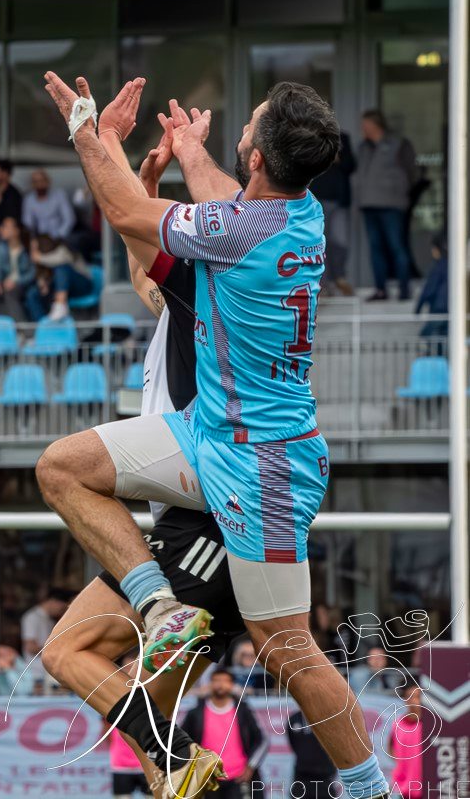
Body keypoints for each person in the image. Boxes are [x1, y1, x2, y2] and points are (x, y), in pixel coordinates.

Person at [36, 73, 393, 799]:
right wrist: (192, 150)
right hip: (208, 435)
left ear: (256, 155)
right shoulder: (296, 211)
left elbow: (127, 213)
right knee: (63, 467)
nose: (244, 123)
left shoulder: (230, 233)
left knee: (287, 649)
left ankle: (369, 790)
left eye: (250, 120)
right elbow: (223, 195)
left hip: (265, 466)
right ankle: (159, 610)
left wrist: (88, 131)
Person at [36, 103, 239, 798]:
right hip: (191, 521)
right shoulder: (179, 312)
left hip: (208, 527)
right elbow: (143, 263)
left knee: (71, 653)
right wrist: (145, 180)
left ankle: (177, 756)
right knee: (129, 706)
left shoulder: (210, 296)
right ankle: (174, 764)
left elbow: (132, 224)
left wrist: (107, 146)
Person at [358, 110, 420, 301]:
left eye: (365, 124)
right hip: (369, 204)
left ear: (375, 125)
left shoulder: (398, 144)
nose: (362, 128)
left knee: (396, 246)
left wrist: (400, 191)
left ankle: (404, 289)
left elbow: (413, 172)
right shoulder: (363, 147)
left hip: (392, 205)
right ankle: (381, 289)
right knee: (376, 248)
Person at [180, 668, 266, 799]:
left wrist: (251, 766)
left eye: (225, 681)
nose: (220, 684)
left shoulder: (243, 711)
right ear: (210, 684)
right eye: (216, 680)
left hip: (238, 777)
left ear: (232, 685)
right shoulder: (196, 712)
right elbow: (182, 742)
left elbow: (263, 740)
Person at [308, 131, 356, 296]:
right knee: (320, 242)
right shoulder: (309, 136)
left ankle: (339, 277)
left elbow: (351, 166)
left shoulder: (343, 138)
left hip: (339, 199)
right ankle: (324, 283)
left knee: (340, 240)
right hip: (316, 198)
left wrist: (338, 158)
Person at [27, 235, 94, 321]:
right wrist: (42, 282)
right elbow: (42, 275)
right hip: (63, 290)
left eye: (35, 249)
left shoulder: (62, 249)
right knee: (33, 293)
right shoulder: (42, 260)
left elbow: (61, 260)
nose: (33, 253)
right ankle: (43, 325)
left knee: (61, 268)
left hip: (82, 285)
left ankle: (60, 306)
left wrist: (40, 258)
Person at [0, 216, 35, 319]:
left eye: (6, 227)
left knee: (10, 292)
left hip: (23, 284)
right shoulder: (0, 247)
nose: (2, 229)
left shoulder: (27, 248)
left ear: (16, 231)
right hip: (5, 283)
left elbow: (32, 273)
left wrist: (16, 281)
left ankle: (20, 327)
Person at [287, 707, 337, 799]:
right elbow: (293, 742)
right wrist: (305, 756)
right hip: (302, 776)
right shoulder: (294, 719)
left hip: (324, 776)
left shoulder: (330, 719)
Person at [388, 686, 426, 799]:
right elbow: (391, 747)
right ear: (405, 700)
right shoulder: (398, 724)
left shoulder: (430, 724)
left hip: (427, 782)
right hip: (404, 785)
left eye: (418, 696)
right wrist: (403, 764)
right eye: (410, 696)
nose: (414, 700)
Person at [22, 169, 77, 242]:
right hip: (39, 239)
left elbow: (69, 219)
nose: (39, 184)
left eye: (42, 180)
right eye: (36, 181)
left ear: (48, 181)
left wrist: (59, 236)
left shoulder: (59, 195)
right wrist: (34, 238)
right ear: (32, 184)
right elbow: (28, 223)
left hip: (60, 237)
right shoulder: (29, 199)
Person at [20, 591, 68, 658]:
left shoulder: (50, 619)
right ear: (53, 601)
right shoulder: (32, 617)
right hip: (35, 664)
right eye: (61, 608)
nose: (61, 612)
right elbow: (30, 647)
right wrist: (56, 651)